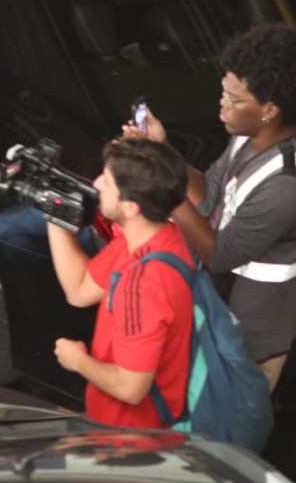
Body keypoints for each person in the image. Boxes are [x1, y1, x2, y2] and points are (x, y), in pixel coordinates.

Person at [133, 24, 296, 390]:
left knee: (228, 428)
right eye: (223, 93)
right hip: (220, 303)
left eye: (234, 100)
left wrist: (166, 188)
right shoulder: (246, 137)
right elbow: (209, 194)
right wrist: (165, 153)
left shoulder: (285, 185)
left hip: (255, 328)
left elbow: (220, 255)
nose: (222, 105)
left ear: (269, 109)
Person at [46, 137, 194, 429]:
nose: (97, 183)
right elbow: (79, 289)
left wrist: (77, 361)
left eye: (108, 181)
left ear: (130, 207)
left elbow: (130, 388)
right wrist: (54, 215)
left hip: (132, 439)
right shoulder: (156, 237)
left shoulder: (144, 284)